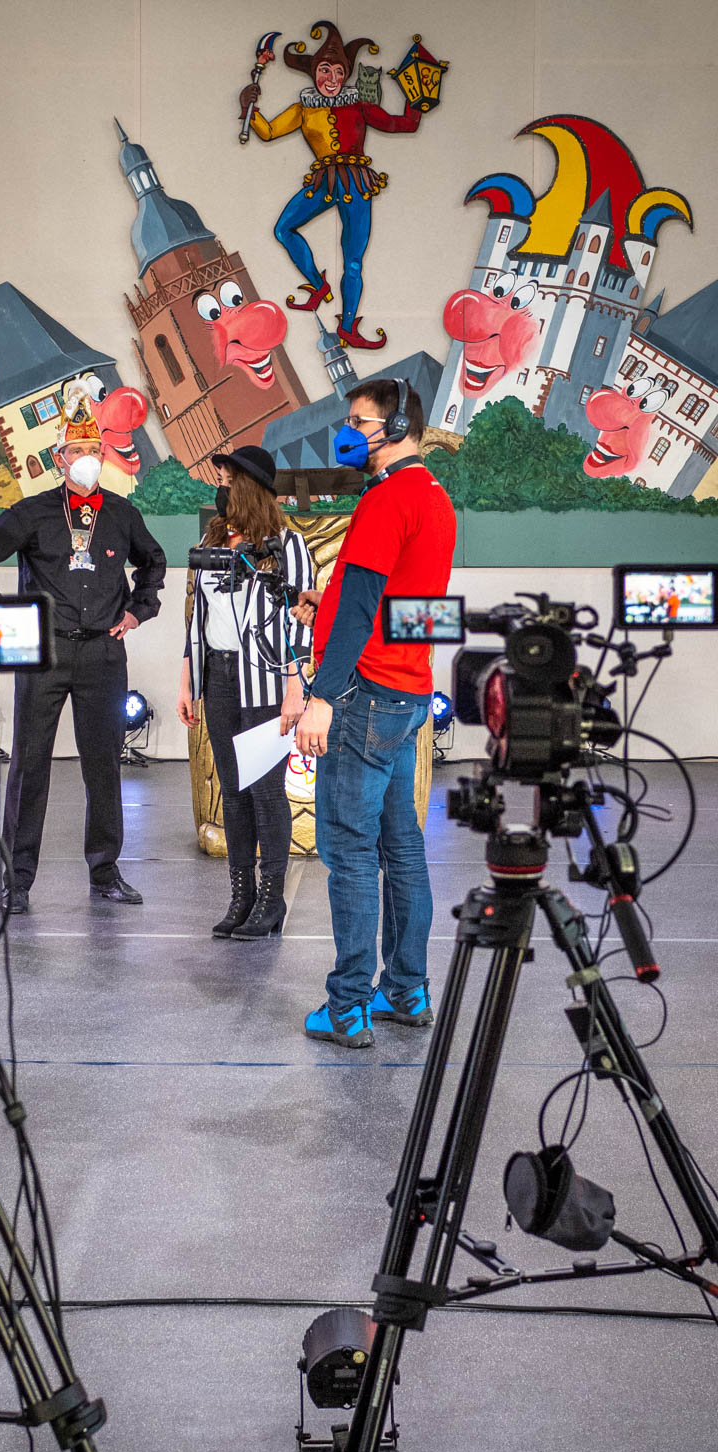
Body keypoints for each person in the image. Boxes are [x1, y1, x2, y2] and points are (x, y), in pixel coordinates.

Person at [0, 385, 166, 914]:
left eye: (95, 450)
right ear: (60, 458)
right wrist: (4, 617)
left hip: (103, 653)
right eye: (78, 451)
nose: (88, 458)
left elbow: (154, 562)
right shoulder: (32, 513)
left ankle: (105, 871)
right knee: (29, 766)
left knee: (104, 765)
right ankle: (17, 880)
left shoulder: (121, 513)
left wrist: (138, 610)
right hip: (44, 653)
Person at [293, 379, 457, 1046]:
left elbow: (362, 609)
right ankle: (407, 990)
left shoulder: (386, 498)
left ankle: (348, 1005)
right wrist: (325, 606)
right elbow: (413, 606)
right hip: (408, 694)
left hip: (363, 699)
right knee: (402, 848)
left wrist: (320, 698)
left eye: (360, 422)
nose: (348, 433)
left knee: (351, 852)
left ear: (395, 427)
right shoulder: (434, 496)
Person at [178, 446, 313, 939]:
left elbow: (302, 622)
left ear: (251, 487)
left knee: (265, 791)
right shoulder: (212, 540)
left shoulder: (287, 546)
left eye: (228, 479)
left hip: (266, 679)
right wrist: (186, 680)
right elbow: (198, 616)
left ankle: (272, 900)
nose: (221, 487)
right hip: (218, 676)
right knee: (232, 792)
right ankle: (242, 896)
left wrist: (295, 686)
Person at [239, 21, 423, 350]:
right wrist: (247, 108)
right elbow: (268, 131)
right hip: (324, 182)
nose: (332, 79)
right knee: (283, 229)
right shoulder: (303, 110)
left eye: (339, 72)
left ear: (346, 75)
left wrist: (418, 98)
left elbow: (403, 124)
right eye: (325, 70)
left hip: (356, 183)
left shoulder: (359, 105)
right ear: (314, 74)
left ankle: (348, 326)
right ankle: (318, 285)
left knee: (353, 260)